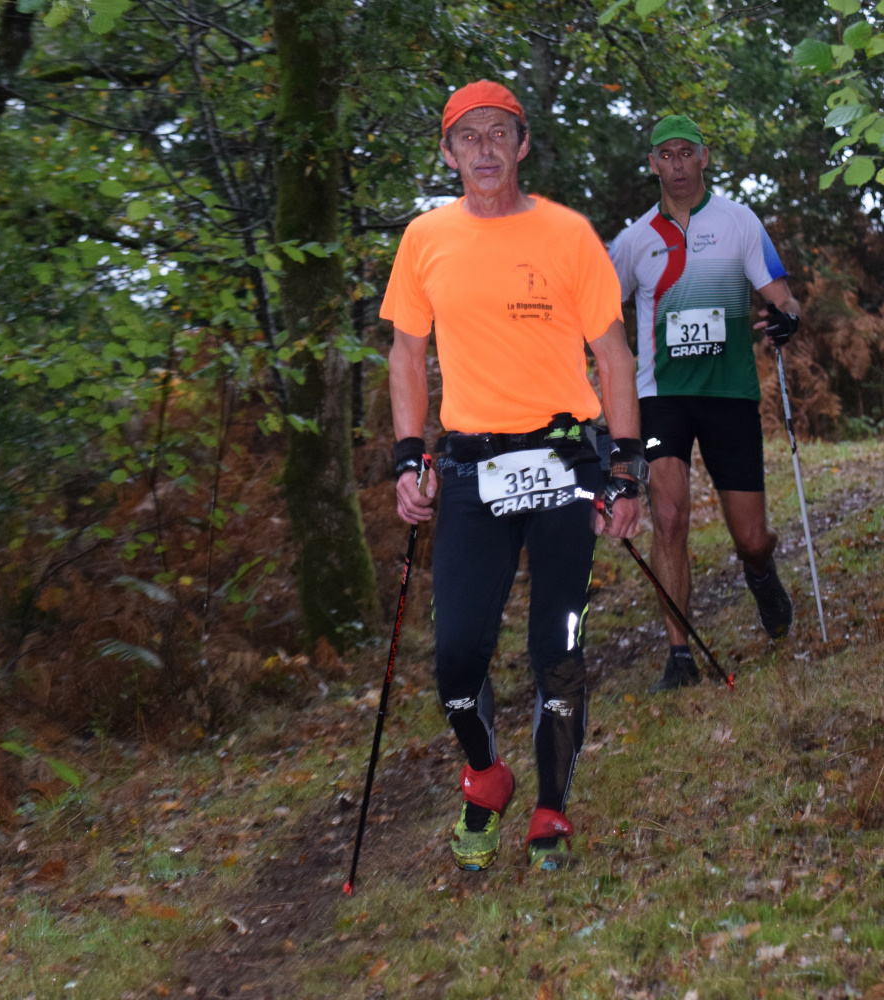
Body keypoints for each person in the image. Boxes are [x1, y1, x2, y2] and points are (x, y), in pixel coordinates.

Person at [382, 80, 646, 872]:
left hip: (564, 461)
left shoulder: (568, 235)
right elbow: (406, 355)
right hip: (471, 469)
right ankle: (487, 775)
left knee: (555, 647)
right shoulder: (425, 239)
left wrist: (625, 465)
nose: (486, 148)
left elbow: (614, 356)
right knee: (457, 659)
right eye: (469, 137)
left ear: (522, 144)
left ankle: (551, 807)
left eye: (499, 132)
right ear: (449, 154)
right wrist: (408, 455)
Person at [609, 114, 802, 692]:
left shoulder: (739, 222)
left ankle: (761, 574)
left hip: (729, 394)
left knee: (751, 539)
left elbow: (784, 297)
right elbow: (599, 316)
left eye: (686, 153)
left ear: (704, 157)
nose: (677, 165)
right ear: (652, 164)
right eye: (666, 155)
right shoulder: (634, 240)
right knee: (669, 518)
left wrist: (787, 320)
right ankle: (680, 655)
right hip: (661, 396)